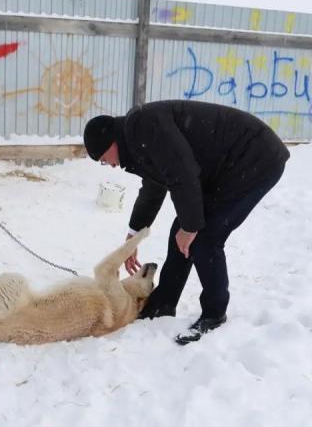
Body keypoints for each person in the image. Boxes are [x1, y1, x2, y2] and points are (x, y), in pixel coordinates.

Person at [83, 100, 289, 344]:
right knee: (181, 232)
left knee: (205, 236)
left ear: (110, 143)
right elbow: (154, 187)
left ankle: (214, 313)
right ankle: (163, 305)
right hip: (226, 166)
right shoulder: (137, 139)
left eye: (103, 159)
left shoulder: (143, 127)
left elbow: (183, 173)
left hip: (254, 158)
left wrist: (191, 227)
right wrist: (134, 234)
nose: (108, 165)